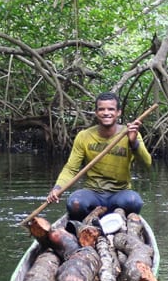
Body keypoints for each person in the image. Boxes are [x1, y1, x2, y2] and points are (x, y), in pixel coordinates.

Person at [44, 92, 151, 221]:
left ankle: (118, 219)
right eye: (102, 109)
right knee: (75, 204)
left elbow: (147, 163)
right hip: (93, 193)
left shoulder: (131, 134)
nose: (106, 113)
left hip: (120, 193)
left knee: (134, 202)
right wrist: (57, 188)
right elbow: (71, 169)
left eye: (111, 109)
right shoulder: (84, 136)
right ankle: (85, 224)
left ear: (118, 112)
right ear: (96, 113)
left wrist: (134, 143)